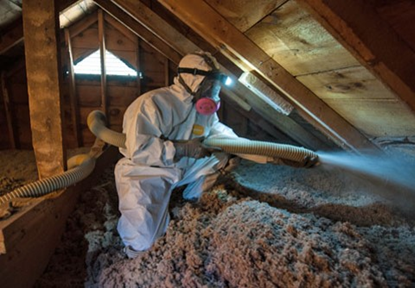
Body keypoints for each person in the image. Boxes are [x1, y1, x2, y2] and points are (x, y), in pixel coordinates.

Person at [114, 51, 317, 258]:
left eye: (216, 86)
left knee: (221, 157)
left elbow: (231, 141)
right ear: (193, 79)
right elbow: (139, 150)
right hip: (146, 173)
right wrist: (182, 148)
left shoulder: (203, 112)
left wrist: (277, 157)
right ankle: (133, 249)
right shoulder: (152, 103)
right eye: (210, 85)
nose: (214, 91)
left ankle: (192, 198)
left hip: (181, 168)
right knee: (144, 241)